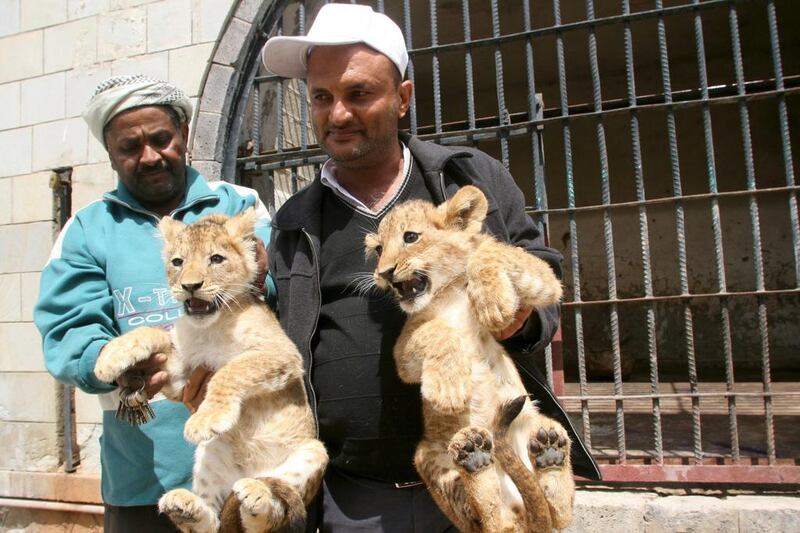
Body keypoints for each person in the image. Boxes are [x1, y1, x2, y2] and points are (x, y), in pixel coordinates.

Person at [259, 3, 601, 532]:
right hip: (356, 501)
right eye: (322, 97)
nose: (338, 114)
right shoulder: (294, 222)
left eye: (358, 93)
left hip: (490, 474)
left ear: (403, 98)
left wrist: (522, 319)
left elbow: (542, 276)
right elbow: (275, 335)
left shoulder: (468, 176)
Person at [33, 75, 273, 533]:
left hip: (251, 464)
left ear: (182, 133)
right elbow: (68, 328)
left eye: (161, 139)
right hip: (146, 483)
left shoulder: (241, 205)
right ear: (110, 154)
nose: (149, 156)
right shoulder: (87, 230)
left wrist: (262, 271)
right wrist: (110, 363)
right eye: (129, 147)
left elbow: (282, 284)